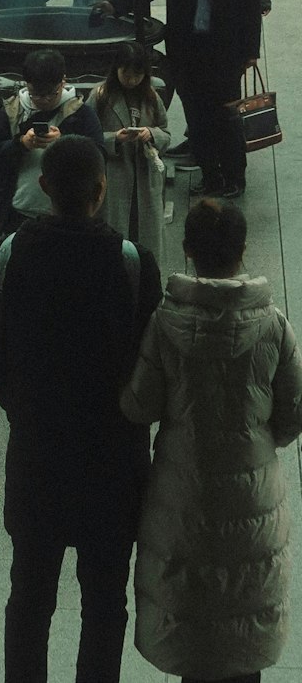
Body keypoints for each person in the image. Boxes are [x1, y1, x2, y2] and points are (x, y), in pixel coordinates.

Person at [0, 135, 161, 683]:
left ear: (44, 187)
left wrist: (23, 408)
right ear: (101, 190)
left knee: (30, 597)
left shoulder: (8, 254)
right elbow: (150, 366)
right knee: (105, 603)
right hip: (113, 462)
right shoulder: (132, 263)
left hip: (36, 459)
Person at [122, 199, 302, 683]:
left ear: (187, 251)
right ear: (243, 250)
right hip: (252, 496)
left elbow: (140, 405)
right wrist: (260, 442)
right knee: (244, 617)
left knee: (194, 626)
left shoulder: (165, 324)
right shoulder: (273, 325)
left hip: (185, 497)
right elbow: (293, 414)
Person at [148, 0, 263, 198]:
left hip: (225, 55)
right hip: (188, 53)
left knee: (227, 118)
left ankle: (235, 176)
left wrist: (250, 51)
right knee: (197, 120)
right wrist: (118, 2)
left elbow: (252, 11)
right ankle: (211, 177)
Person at [0, 47, 106, 235]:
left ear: (63, 82)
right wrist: (21, 144)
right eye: (36, 94)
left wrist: (64, 143)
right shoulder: (12, 111)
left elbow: (98, 156)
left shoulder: (81, 114)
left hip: (68, 217)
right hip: (17, 213)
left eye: (51, 94)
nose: (43, 100)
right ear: (27, 84)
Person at [87, 42, 170, 265]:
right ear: (116, 69)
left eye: (138, 74)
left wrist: (151, 134)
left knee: (146, 237)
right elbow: (87, 136)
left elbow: (165, 132)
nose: (132, 80)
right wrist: (114, 138)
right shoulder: (100, 96)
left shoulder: (151, 96)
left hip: (145, 177)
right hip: (115, 175)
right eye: (126, 73)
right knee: (115, 234)